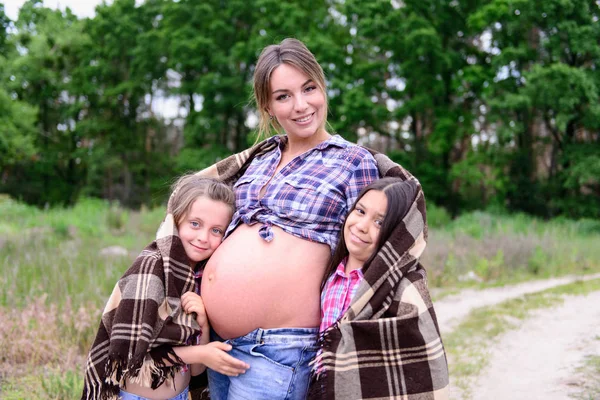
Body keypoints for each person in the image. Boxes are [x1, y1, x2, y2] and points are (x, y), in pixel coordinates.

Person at [81, 175, 249, 400]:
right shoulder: (151, 269)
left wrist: (204, 325)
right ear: (176, 220)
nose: (203, 238)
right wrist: (200, 352)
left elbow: (197, 370)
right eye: (195, 224)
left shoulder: (196, 279)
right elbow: (132, 357)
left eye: (216, 230)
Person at [309, 178, 450, 399]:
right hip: (318, 389)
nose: (362, 226)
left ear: (394, 235)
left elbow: (418, 360)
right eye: (360, 211)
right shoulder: (328, 274)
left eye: (379, 223)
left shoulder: (395, 288)